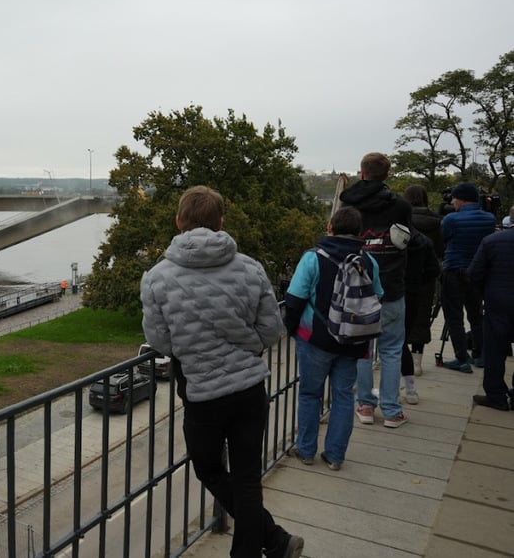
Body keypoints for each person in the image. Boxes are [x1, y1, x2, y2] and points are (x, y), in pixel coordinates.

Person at [140, 186, 304, 558]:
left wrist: (196, 349)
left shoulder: (157, 277)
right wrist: (243, 347)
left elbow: (161, 342)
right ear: (221, 223)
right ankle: (271, 541)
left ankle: (275, 539)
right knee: (247, 478)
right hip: (249, 389)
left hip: (202, 393)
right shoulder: (250, 267)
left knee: (209, 469)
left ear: (179, 221)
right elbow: (271, 330)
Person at [284, 207, 383, 471]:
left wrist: (291, 329)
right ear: (360, 232)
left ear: (330, 228)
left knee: (309, 394)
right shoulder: (368, 262)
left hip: (316, 337)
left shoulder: (313, 258)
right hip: (353, 341)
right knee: (342, 395)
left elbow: (294, 299)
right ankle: (335, 456)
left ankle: (306, 450)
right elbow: (377, 297)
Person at [339, 152, 412, 428]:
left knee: (362, 349)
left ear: (361, 173)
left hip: (357, 285)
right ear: (387, 175)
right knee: (392, 349)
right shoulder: (401, 206)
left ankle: (366, 406)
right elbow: (408, 240)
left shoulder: (348, 203)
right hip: (392, 284)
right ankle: (392, 411)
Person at [440, 182, 497, 372]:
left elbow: (445, 238)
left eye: (454, 198)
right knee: (476, 314)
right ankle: (479, 355)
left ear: (462, 199)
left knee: (454, 316)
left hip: (454, 268)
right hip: (477, 271)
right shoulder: (489, 219)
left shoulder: (451, 219)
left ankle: (461, 358)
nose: (452, 202)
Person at [468, 206, 514, 411]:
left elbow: (474, 274)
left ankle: (495, 394)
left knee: (495, 349)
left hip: (498, 301)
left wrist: (484, 294)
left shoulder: (492, 241)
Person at [402, 186, 443, 375]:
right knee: (422, 314)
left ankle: (402, 358)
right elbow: (440, 251)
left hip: (402, 273)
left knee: (399, 317)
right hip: (424, 275)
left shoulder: (401, 219)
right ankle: (417, 360)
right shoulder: (437, 221)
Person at [401, 229, 440, 401]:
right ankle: (410, 390)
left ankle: (387, 394)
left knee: (390, 347)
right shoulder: (423, 240)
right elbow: (433, 269)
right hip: (413, 293)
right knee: (401, 343)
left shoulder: (385, 235)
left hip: (391, 293)